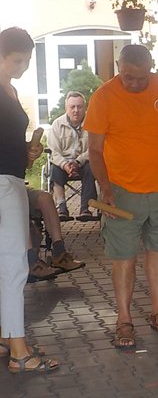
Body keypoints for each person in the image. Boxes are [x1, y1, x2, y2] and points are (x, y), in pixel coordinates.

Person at [85, 44, 158, 351]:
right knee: (124, 256)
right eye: (127, 76)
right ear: (119, 67)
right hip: (121, 191)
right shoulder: (103, 97)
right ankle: (124, 319)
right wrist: (106, 188)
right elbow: (95, 150)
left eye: (141, 77)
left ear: (151, 67)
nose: (134, 83)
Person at [0, 26, 59, 373]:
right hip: (3, 185)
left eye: (26, 62)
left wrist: (26, 151)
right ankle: (20, 353)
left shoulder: (10, 89)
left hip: (11, 178)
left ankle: (5, 337)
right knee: (14, 265)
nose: (21, 68)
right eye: (15, 61)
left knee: (6, 263)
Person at [47, 91, 98, 221]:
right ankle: (62, 207)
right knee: (54, 169)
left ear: (85, 107)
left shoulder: (93, 123)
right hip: (63, 164)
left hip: (84, 162)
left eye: (79, 107)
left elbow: (94, 148)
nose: (76, 110)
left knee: (91, 168)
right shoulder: (57, 125)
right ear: (66, 108)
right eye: (72, 107)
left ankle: (85, 208)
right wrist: (65, 165)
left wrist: (78, 162)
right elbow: (54, 151)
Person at [26, 187, 85, 282]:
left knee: (46, 198)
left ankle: (59, 253)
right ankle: (31, 262)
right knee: (17, 204)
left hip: (16, 186)